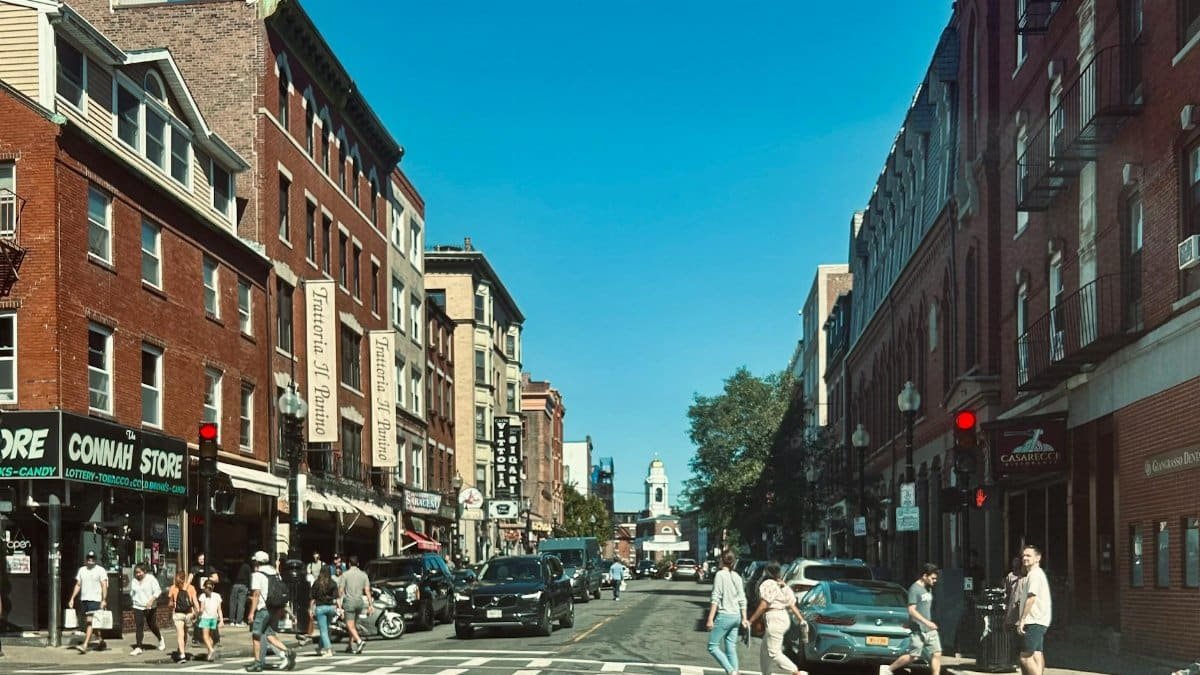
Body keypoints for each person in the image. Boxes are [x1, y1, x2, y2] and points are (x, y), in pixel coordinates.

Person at [746, 562, 806, 675]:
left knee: (774, 652)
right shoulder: (783, 585)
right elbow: (792, 604)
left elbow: (764, 604)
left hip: (774, 618)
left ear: (767, 572)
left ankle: (796, 671)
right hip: (783, 617)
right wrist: (801, 619)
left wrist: (751, 620)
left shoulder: (768, 584)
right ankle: (766, 673)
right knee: (765, 650)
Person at [882, 563, 942, 675]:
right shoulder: (914, 589)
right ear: (925, 576)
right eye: (933, 578)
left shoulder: (928, 588)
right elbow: (911, 610)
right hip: (918, 629)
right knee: (914, 656)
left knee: (937, 653)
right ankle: (888, 669)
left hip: (930, 629)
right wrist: (927, 622)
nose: (935, 581)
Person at [246, 550, 295, 672]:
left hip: (263, 608)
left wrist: (251, 612)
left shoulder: (257, 574)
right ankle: (288, 651)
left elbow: (256, 594)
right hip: (275, 607)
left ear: (256, 561)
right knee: (269, 634)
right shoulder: (274, 572)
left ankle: (258, 663)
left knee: (256, 635)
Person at [705, 551, 749, 675]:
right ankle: (735, 671)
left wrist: (710, 618)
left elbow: (716, 597)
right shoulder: (737, 576)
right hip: (736, 616)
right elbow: (742, 598)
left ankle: (731, 671)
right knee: (730, 647)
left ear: (721, 560)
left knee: (712, 646)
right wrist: (744, 618)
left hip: (725, 615)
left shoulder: (720, 575)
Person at [1017, 545, 1052, 675]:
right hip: (1039, 620)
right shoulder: (1035, 574)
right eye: (1024, 555)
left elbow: (1031, 597)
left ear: (1038, 558)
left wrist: (1022, 620)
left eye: (1028, 555)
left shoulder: (1035, 575)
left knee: (1025, 657)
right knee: (1036, 653)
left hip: (1034, 620)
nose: (1025, 558)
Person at [66, 551, 109, 654]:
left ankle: (85, 645)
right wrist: (72, 598)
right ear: (86, 559)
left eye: (93, 558)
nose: (91, 560)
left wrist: (104, 599)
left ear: (95, 559)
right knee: (92, 623)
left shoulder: (100, 570)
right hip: (84, 599)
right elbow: (78, 584)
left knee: (90, 622)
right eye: (89, 558)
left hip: (95, 599)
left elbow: (104, 585)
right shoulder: (82, 570)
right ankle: (101, 641)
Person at [337, 555, 372, 654]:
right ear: (358, 564)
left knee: (349, 624)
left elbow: (340, 590)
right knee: (353, 625)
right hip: (360, 601)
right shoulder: (364, 575)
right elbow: (367, 590)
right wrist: (370, 604)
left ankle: (359, 641)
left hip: (349, 601)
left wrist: (338, 599)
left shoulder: (345, 575)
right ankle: (349, 645)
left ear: (348, 564)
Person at [128, 563, 165, 655]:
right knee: (139, 626)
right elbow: (132, 592)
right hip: (138, 606)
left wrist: (151, 601)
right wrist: (133, 600)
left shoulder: (151, 579)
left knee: (152, 625)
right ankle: (139, 647)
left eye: (139, 572)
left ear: (144, 571)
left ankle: (160, 638)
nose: (138, 574)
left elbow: (158, 591)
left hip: (150, 606)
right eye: (136, 573)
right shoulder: (134, 581)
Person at [167, 570, 198, 662]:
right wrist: (197, 612)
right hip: (189, 613)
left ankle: (182, 654)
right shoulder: (191, 588)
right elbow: (195, 602)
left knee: (180, 634)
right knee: (184, 634)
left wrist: (171, 610)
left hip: (178, 613)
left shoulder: (173, 588)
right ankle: (182, 650)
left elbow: (170, 604)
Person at [310, 565, 339, 657]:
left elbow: (312, 598)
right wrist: (340, 608)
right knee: (326, 629)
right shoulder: (333, 583)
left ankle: (328, 649)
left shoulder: (317, 583)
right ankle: (319, 647)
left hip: (320, 608)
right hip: (331, 607)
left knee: (323, 630)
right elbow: (336, 597)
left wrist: (311, 609)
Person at [1004, 556, 1024, 665]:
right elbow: (1007, 593)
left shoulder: (1025, 577)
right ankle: (1013, 659)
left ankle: (1020, 659)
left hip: (1021, 611)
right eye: (1014, 562)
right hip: (1012, 610)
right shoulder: (1010, 576)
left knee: (1021, 637)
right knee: (1012, 637)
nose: (1015, 564)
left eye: (1017, 562)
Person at [197, 579, 224, 661]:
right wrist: (221, 620)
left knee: (205, 636)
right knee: (210, 637)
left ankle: (211, 650)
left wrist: (197, 615)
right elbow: (219, 609)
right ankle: (209, 654)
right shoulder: (217, 596)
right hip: (214, 618)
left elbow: (201, 609)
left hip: (205, 617)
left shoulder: (202, 596)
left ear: (204, 587)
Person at [230, 556, 253, 627]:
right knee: (241, 604)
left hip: (235, 585)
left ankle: (232, 620)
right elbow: (250, 577)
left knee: (233, 603)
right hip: (243, 585)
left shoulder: (234, 566)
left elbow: (230, 575)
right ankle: (239, 621)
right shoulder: (247, 566)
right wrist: (250, 588)